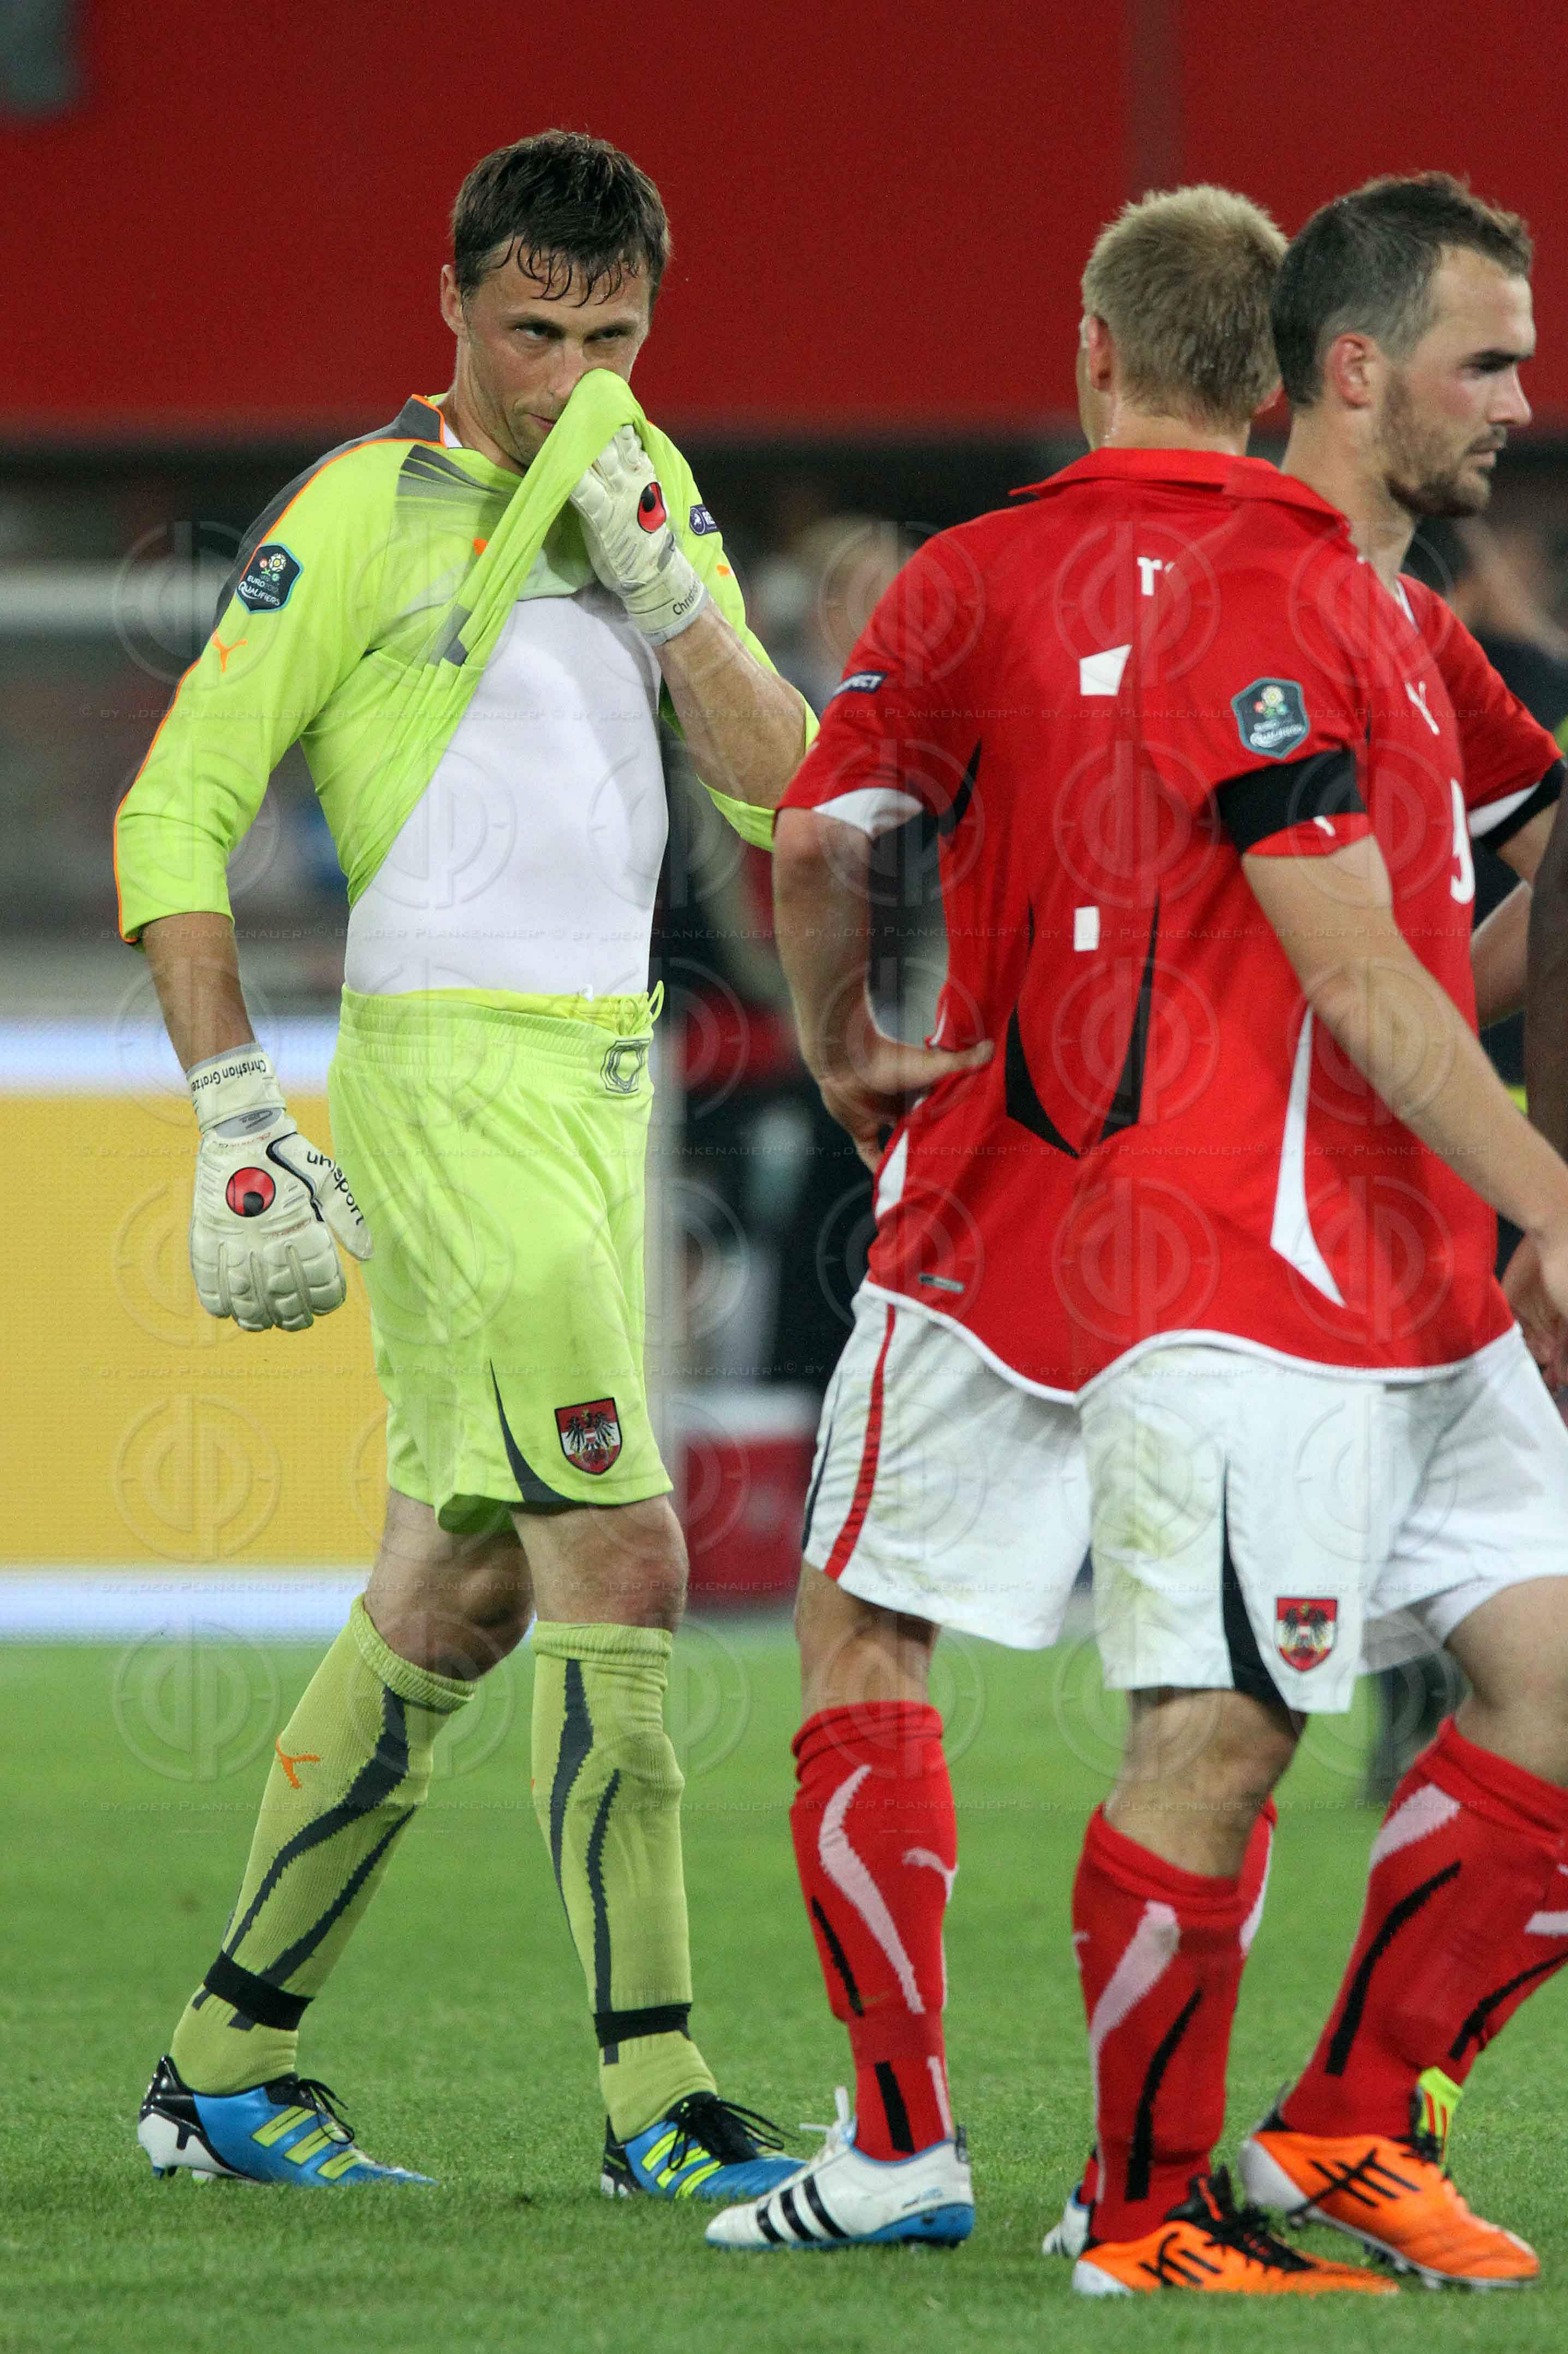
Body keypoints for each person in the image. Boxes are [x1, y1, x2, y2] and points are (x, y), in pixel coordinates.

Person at [115, 130, 812, 2197]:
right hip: (450, 1087)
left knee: (464, 1580)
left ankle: (222, 2068)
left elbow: (791, 801)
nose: (568, 378)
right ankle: (656, 2099)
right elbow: (175, 812)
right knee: (627, 1554)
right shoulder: (357, 510)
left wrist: (675, 601)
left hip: (605, 1090)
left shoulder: (642, 484)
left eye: (611, 337)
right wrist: (236, 1109)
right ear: (453, 306)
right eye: (532, 334)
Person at [706, 187, 1383, 2284]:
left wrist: (843, 1041)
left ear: (1093, 348)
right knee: (1210, 1712)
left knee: (862, 1626)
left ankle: (897, 2141)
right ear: (1277, 378)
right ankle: (1149, 2185)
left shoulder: (973, 576)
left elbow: (818, 838)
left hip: (999, 1198)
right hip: (1257, 1238)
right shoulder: (1347, 586)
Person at [1042, 173, 1568, 2294]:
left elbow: (1504, 900)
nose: (1518, 402)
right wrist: (1552, 1193)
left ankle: (1348, 2128)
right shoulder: (1248, 600)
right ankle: (1135, 2215)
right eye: (1485, 363)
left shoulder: (1412, 625)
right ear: (1354, 371)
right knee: (1226, 1736)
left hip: (1421, 1278)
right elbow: (1351, 971)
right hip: (1244, 1280)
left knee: (1557, 1691)